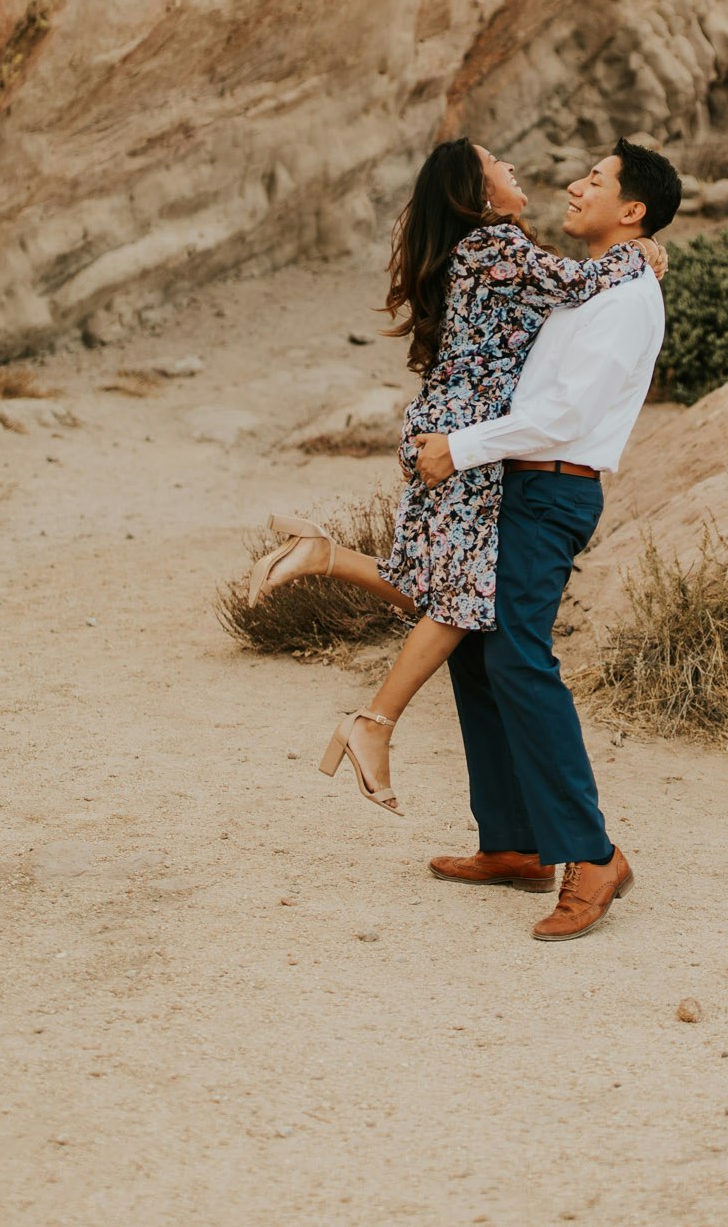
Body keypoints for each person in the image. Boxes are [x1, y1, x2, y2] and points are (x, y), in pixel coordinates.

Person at [243, 138, 665, 815]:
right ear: (478, 190)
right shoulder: (495, 243)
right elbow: (577, 284)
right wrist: (637, 252)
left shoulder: (490, 247)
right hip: (464, 436)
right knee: (463, 600)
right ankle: (373, 724)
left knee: (444, 589)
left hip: (453, 425)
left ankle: (324, 556)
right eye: (500, 166)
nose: (516, 169)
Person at [412, 137, 681, 942]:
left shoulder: (626, 299)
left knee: (519, 658)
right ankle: (515, 842)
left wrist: (460, 448)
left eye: (595, 180)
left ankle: (591, 855)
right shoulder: (586, 283)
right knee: (477, 652)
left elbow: (565, 413)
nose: (574, 186)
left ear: (631, 209)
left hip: (554, 486)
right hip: (518, 481)